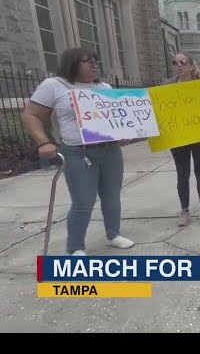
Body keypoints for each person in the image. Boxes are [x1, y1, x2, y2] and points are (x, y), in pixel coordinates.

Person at [20, 48, 135, 255]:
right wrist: (43, 142)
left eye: (96, 61)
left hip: (109, 150)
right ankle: (75, 247)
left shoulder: (104, 87)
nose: (94, 65)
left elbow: (113, 119)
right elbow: (30, 115)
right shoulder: (55, 85)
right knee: (83, 201)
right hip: (77, 152)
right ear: (72, 63)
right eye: (88, 61)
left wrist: (124, 131)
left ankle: (113, 234)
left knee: (112, 196)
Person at [164, 53, 200, 227]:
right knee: (182, 175)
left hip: (199, 136)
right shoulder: (167, 86)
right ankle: (185, 211)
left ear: (190, 65)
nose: (178, 65)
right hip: (179, 137)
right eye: (175, 62)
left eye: (182, 62)